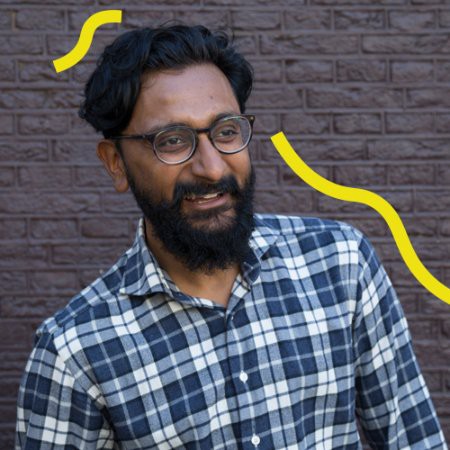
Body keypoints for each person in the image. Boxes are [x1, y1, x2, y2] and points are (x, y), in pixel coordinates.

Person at [15, 24, 447, 450]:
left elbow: (414, 439)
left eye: (226, 132)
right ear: (115, 162)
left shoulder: (340, 264)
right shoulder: (74, 350)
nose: (212, 168)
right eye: (172, 140)